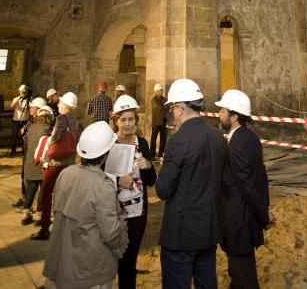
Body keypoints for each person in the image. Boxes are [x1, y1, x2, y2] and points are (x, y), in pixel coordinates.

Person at [156, 78, 226, 289]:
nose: (172, 114)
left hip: (181, 234)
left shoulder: (178, 140)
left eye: (172, 108)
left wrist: (163, 167)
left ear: (180, 108)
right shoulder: (217, 136)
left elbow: (163, 189)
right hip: (208, 229)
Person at [43, 121, 128, 289]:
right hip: (91, 270)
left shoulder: (66, 174)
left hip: (63, 261)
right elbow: (111, 233)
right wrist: (121, 241)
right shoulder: (102, 186)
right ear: (106, 154)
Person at [215, 89, 273, 289]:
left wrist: (264, 216)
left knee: (244, 276)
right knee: (239, 274)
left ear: (234, 116)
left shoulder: (237, 144)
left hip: (239, 220)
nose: (219, 114)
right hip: (245, 218)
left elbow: (247, 185)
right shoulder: (250, 138)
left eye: (222, 111)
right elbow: (261, 177)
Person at [111, 94, 156, 289]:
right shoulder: (109, 144)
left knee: (129, 259)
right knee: (112, 258)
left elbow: (151, 181)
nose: (128, 124)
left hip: (138, 212)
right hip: (113, 212)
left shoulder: (142, 143)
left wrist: (148, 166)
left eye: (131, 119)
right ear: (116, 121)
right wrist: (119, 180)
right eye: (123, 120)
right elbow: (96, 179)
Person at [31, 91, 79, 241]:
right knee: (64, 195)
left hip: (55, 164)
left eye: (60, 103)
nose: (58, 104)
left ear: (66, 106)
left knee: (46, 193)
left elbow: (55, 138)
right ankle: (62, 228)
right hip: (69, 163)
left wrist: (45, 157)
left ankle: (45, 227)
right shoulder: (76, 121)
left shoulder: (60, 119)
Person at [20, 104, 54, 226]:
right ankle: (40, 215)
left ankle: (26, 213)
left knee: (31, 188)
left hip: (30, 162)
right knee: (43, 190)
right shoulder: (49, 129)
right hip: (41, 163)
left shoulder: (32, 127)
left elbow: (26, 143)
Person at [9, 84, 31, 155]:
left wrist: (28, 100)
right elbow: (11, 106)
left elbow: (31, 108)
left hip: (25, 120)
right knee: (14, 135)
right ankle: (13, 150)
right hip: (16, 120)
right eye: (21, 92)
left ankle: (24, 150)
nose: (22, 93)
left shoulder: (29, 99)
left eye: (24, 92)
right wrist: (18, 100)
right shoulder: (16, 98)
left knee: (24, 136)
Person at [150, 83, 167, 160]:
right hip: (156, 122)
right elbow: (158, 108)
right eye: (160, 90)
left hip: (163, 121)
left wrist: (166, 107)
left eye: (162, 90)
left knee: (163, 138)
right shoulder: (153, 100)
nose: (162, 91)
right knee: (154, 138)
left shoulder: (164, 99)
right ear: (156, 91)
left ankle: (160, 153)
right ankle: (151, 155)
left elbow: (167, 106)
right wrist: (166, 107)